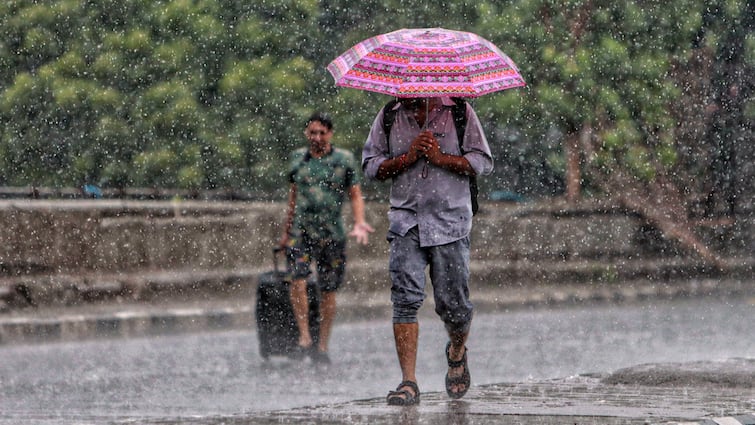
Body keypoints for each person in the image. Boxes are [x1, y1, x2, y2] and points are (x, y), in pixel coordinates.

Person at [362, 97, 493, 404]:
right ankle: (409, 382)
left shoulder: (460, 112)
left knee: (455, 307)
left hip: (451, 223)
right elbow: (370, 166)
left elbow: (482, 162)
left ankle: (456, 351)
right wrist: (406, 159)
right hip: (406, 222)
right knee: (404, 300)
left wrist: (440, 157)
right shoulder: (389, 115)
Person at [280, 112, 374, 365]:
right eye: (313, 132)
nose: (317, 138)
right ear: (306, 133)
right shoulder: (297, 159)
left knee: (328, 289)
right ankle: (304, 337)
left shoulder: (343, 160)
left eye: (322, 133)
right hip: (301, 232)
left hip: (331, 234)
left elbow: (355, 194)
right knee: (297, 280)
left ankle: (322, 344)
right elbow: (293, 195)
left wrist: (359, 222)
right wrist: (286, 231)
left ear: (330, 134)